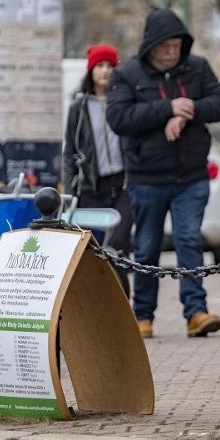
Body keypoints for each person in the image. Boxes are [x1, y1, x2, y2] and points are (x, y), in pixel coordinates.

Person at [107, 8, 220, 339]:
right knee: (146, 247)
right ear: (151, 46)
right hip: (146, 177)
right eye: (165, 47)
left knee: (189, 239)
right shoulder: (127, 74)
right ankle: (143, 316)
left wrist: (188, 110)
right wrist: (167, 109)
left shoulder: (197, 68)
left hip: (191, 175)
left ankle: (196, 312)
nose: (172, 52)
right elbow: (119, 118)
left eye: (177, 45)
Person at [62, 44, 133, 293]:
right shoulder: (78, 108)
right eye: (100, 66)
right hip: (91, 186)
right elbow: (69, 151)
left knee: (119, 244)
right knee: (90, 250)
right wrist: (70, 188)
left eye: (111, 66)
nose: (105, 71)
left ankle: (124, 304)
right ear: (90, 70)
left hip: (122, 185)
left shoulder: (124, 102)